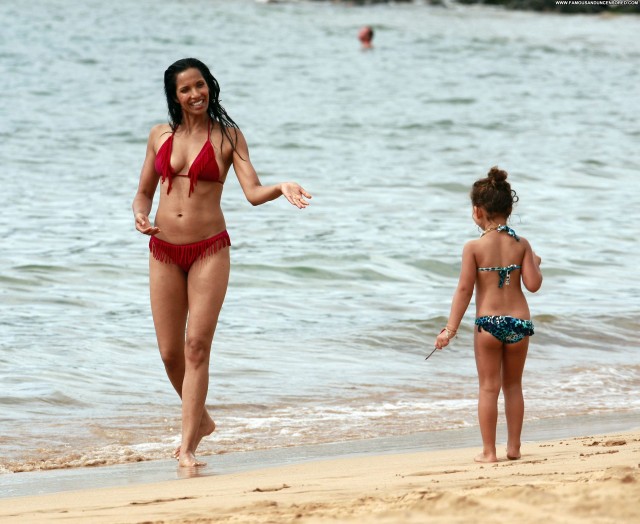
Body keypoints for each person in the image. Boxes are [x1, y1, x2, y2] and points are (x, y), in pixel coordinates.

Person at [132, 58, 311, 468]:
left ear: (209, 86)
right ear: (174, 96)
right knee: (169, 353)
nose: (196, 94)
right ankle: (203, 420)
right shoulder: (159, 135)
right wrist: (140, 215)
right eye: (185, 89)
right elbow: (143, 193)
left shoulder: (228, 136)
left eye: (200, 85)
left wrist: (280, 187)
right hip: (163, 250)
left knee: (196, 346)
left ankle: (188, 446)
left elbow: (252, 192)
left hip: (209, 250)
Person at [433, 167, 542, 463]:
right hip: (519, 324)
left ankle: (489, 452)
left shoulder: (473, 247)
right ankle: (514, 448)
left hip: (488, 325)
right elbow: (533, 285)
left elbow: (464, 290)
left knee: (489, 388)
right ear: (509, 209)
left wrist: (449, 330)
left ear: (477, 211)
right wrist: (535, 263)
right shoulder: (522, 244)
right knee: (513, 386)